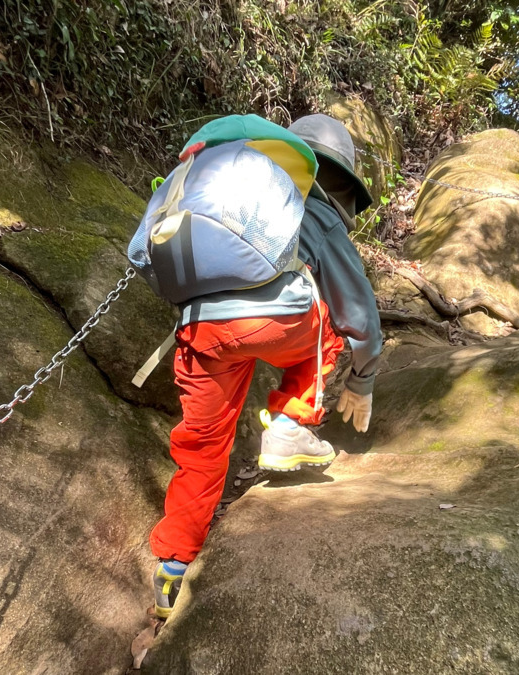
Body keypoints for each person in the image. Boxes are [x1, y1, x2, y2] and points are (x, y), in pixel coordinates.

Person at [151, 114, 383, 618]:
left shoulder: (225, 187)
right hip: (275, 323)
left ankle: (171, 569)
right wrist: (363, 380)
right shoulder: (317, 211)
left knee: (201, 449)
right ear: (338, 180)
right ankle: (289, 426)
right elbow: (357, 313)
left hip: (200, 330)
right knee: (324, 317)